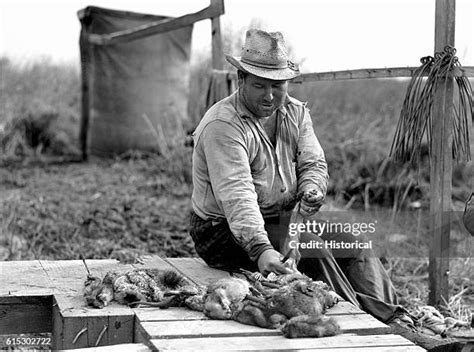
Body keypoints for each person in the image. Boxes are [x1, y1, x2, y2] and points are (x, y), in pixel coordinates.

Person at [189, 28, 404, 324]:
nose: (270, 95)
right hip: (222, 230)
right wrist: (261, 249)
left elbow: (313, 162)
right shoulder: (223, 125)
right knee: (314, 248)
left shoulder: (295, 113)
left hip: (281, 217)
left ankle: (396, 319)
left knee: (353, 241)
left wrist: (312, 189)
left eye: (278, 86)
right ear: (241, 81)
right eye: (259, 86)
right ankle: (363, 322)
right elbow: (237, 196)